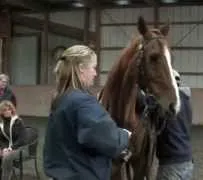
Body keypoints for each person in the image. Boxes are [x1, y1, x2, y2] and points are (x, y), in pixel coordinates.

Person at [43, 45, 132, 180]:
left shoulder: (60, 99)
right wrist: (125, 135)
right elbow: (108, 140)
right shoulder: (82, 102)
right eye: (93, 67)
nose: (95, 73)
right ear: (81, 68)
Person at [155, 69, 194, 180]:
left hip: (171, 164)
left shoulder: (165, 101)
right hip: (187, 160)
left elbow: (146, 103)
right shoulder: (186, 101)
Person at [0, 100, 27, 180]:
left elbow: (22, 139)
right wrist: (3, 148)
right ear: (1, 112)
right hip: (7, 148)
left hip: (19, 148)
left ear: (12, 110)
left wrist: (10, 148)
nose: (8, 111)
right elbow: (1, 139)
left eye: (9, 109)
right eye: (5, 110)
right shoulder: (1, 123)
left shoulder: (18, 122)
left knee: (7, 157)